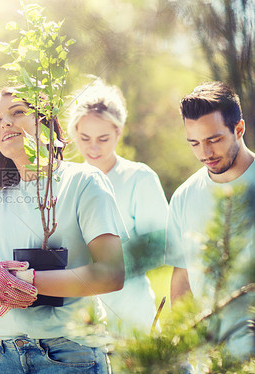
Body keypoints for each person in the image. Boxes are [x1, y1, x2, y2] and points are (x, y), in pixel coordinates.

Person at [0, 88, 127, 373]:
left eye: (18, 112)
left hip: (70, 354)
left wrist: (25, 279)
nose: (5, 123)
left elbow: (111, 273)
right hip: (8, 355)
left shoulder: (83, 182)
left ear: (45, 122)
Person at [165, 81, 255, 363]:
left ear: (239, 129)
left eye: (214, 139)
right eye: (194, 143)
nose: (204, 154)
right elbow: (182, 276)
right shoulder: (184, 197)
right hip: (211, 361)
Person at [67, 80, 169, 335]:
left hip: (131, 319)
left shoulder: (139, 178)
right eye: (84, 138)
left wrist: (103, 266)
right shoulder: (65, 182)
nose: (92, 147)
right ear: (74, 133)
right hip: (78, 324)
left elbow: (158, 248)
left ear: (118, 132)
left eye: (103, 138)